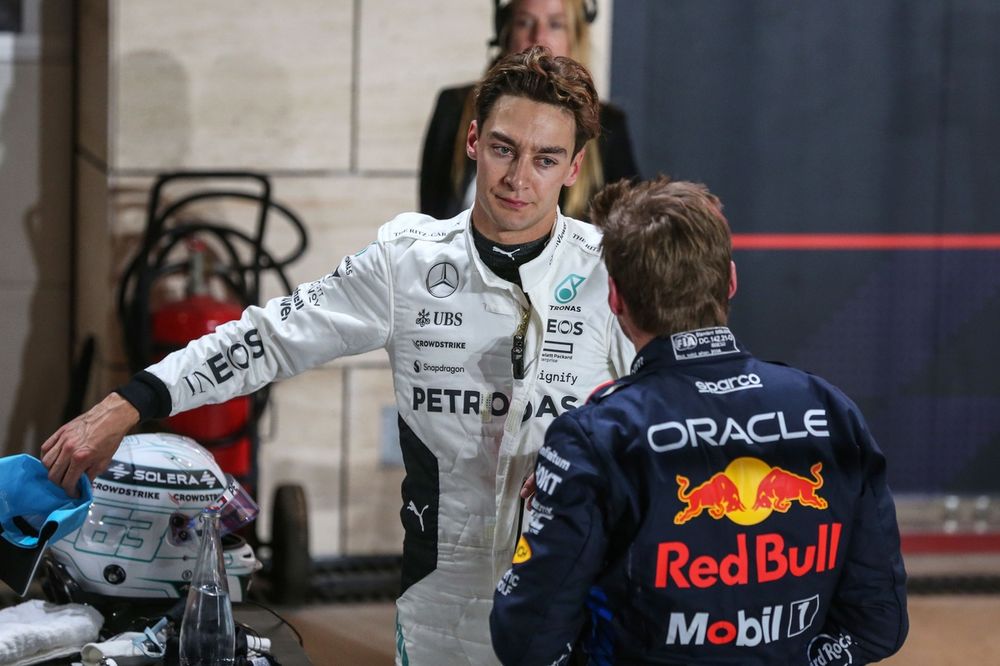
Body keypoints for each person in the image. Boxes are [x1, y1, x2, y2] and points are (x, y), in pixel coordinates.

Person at [41, 47, 634, 666]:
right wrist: (129, 402)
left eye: (545, 159)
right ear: (473, 140)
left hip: (572, 605)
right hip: (440, 608)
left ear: (574, 167)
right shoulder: (408, 261)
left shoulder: (609, 271)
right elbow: (266, 338)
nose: (519, 179)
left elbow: (671, 415)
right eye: (504, 149)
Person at [490, 177, 908, 664]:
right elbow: (879, 624)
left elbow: (527, 640)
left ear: (616, 300)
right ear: (730, 280)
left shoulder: (594, 437)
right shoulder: (832, 411)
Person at [420, 0, 638, 221]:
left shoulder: (609, 125)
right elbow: (432, 212)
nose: (538, 36)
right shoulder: (454, 107)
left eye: (555, 24)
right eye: (524, 22)